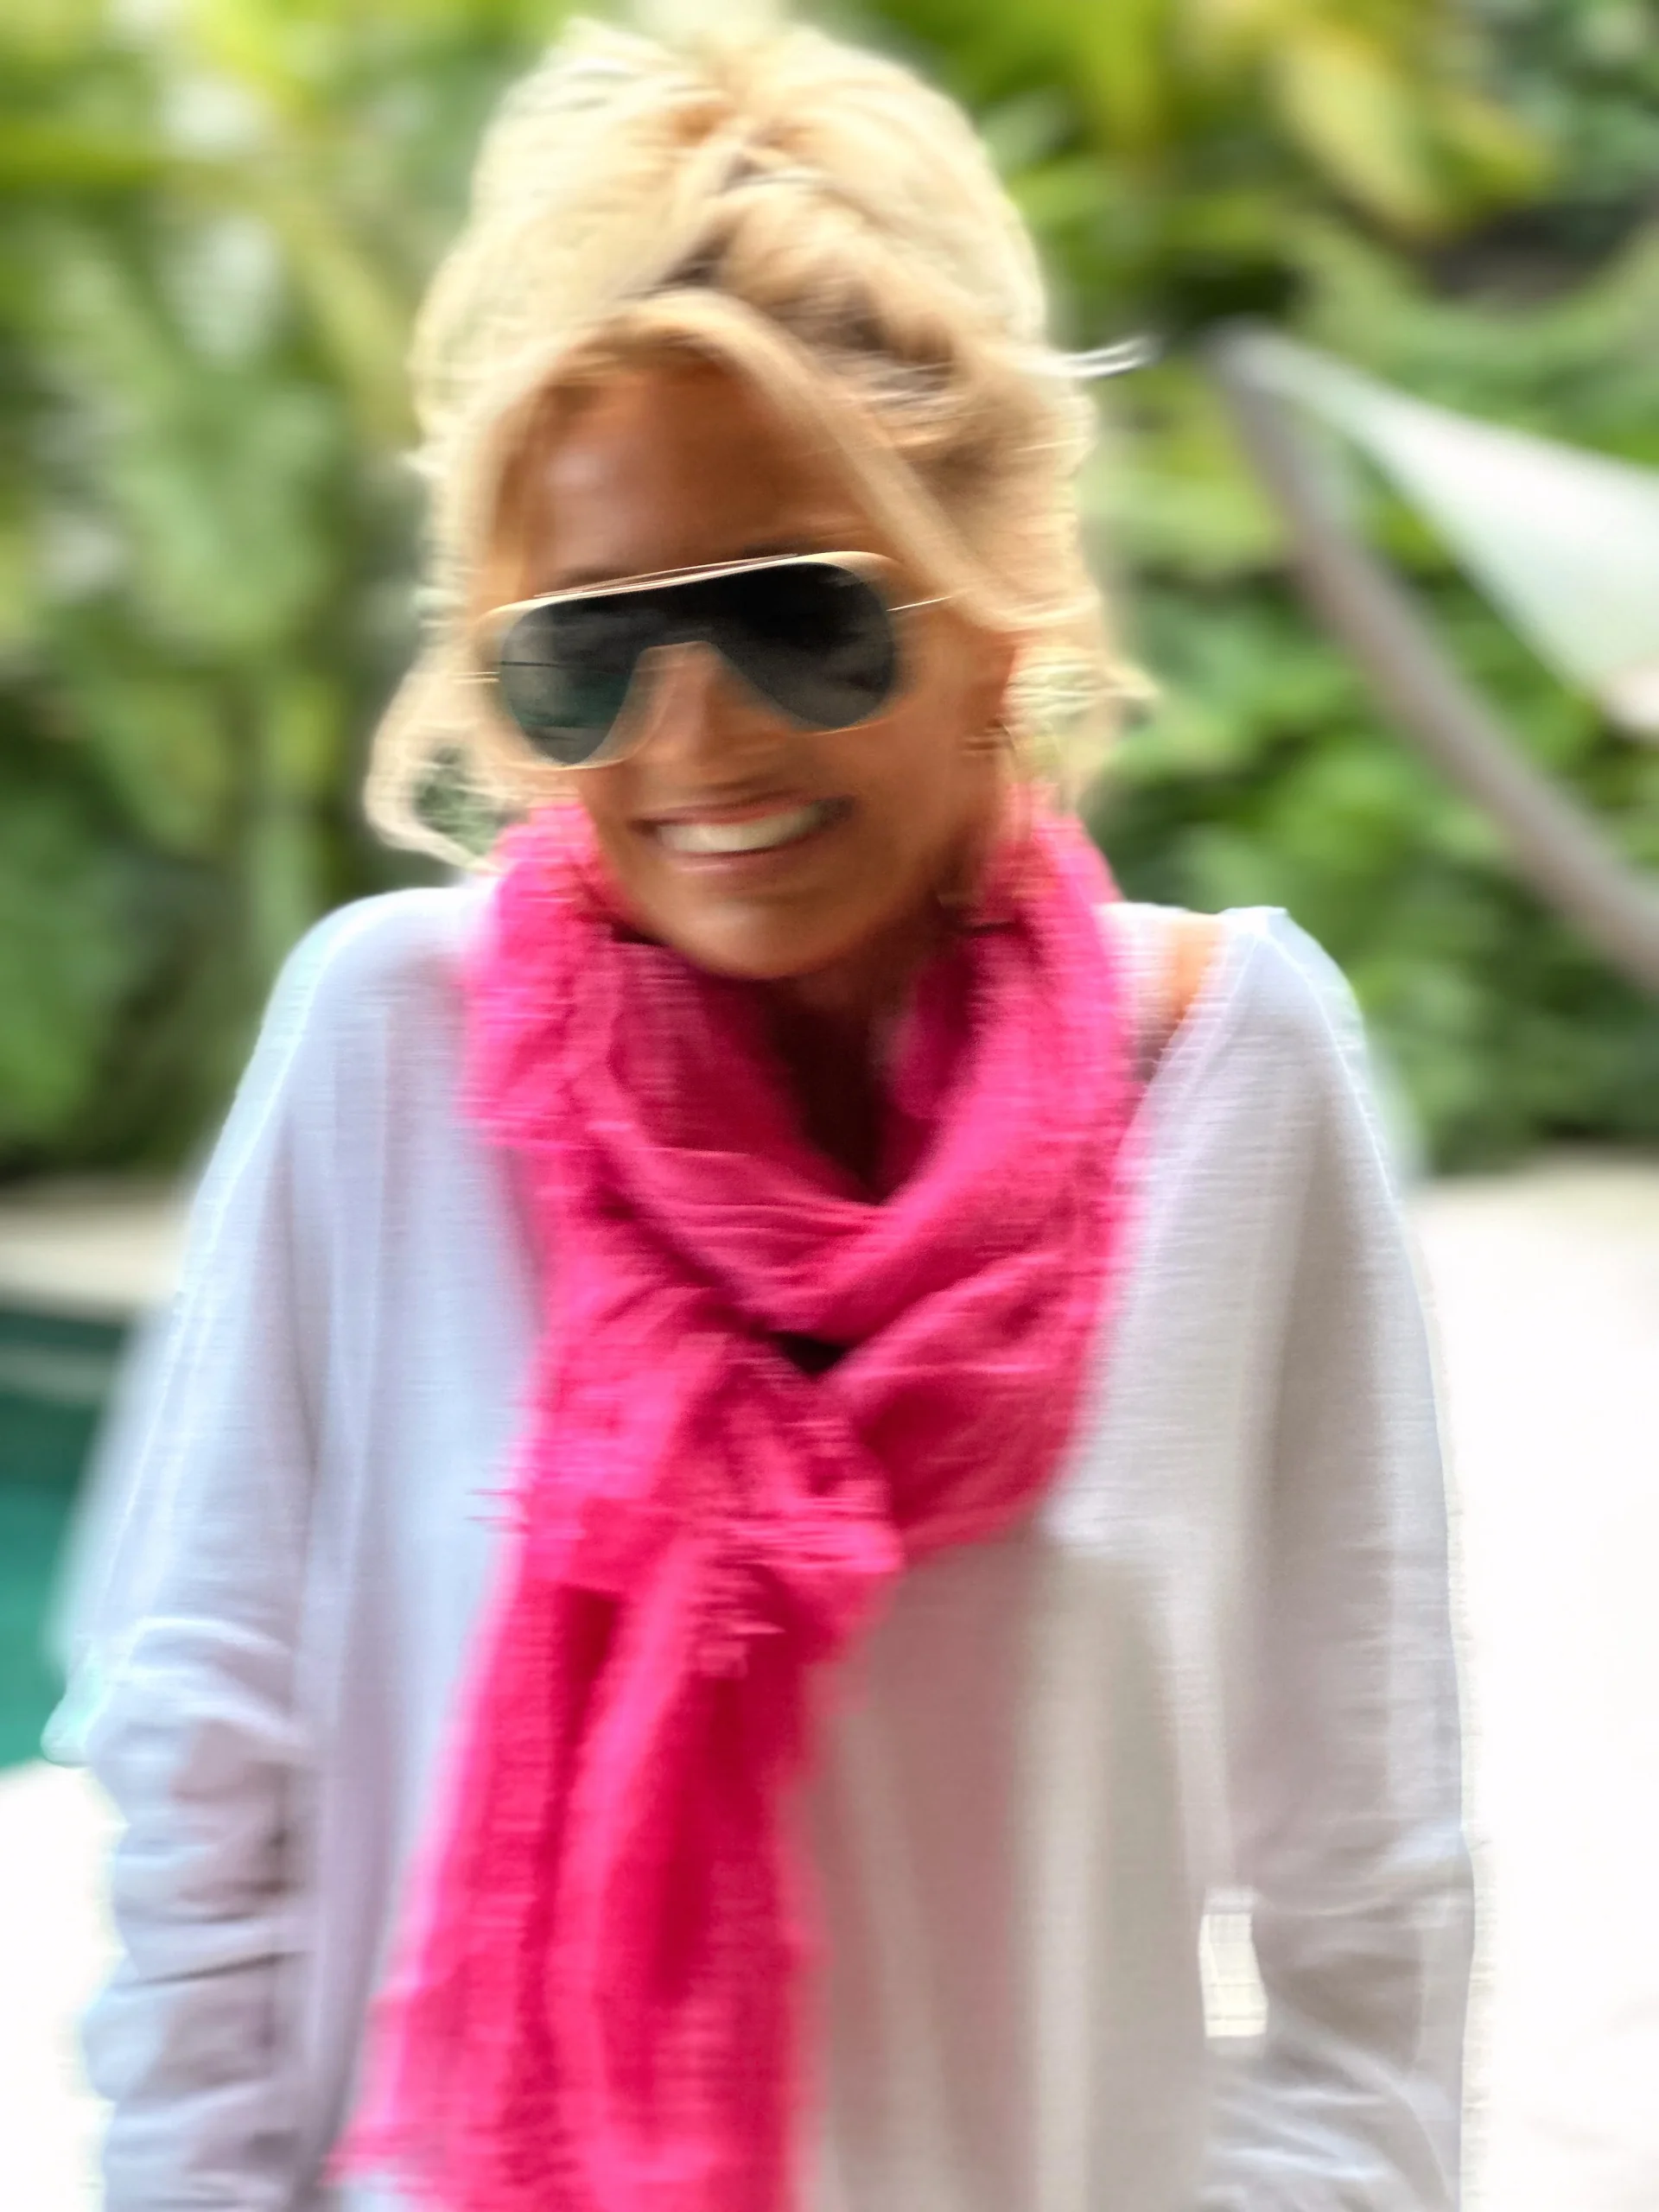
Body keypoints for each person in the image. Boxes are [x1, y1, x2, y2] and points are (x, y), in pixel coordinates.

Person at [55, 22, 1473, 2212]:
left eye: (796, 619)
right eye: (587, 650)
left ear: (991, 610)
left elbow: (1364, 1889)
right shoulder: (392, 1049)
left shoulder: (1226, 1069)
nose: (695, 734)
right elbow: (199, 1773)